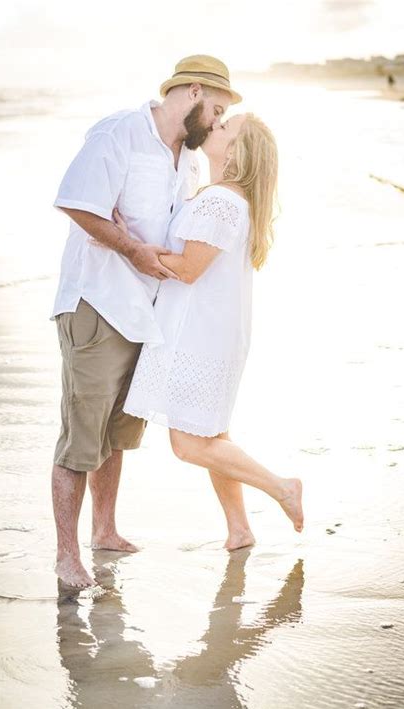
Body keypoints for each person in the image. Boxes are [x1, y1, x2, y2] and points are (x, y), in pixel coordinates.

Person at [51, 56, 251, 588]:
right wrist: (133, 248)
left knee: (117, 433)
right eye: (215, 110)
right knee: (80, 435)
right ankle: (67, 556)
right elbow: (77, 203)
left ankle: (105, 530)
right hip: (98, 303)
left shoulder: (186, 158)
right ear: (190, 91)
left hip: (148, 313)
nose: (215, 124)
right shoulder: (120, 132)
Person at [117, 113, 304, 536]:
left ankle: (282, 488)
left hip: (196, 336)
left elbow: (188, 269)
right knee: (212, 431)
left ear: (237, 151)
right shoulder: (234, 200)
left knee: (189, 444)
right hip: (214, 332)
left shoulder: (221, 201)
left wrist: (130, 248)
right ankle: (239, 528)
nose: (213, 129)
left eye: (224, 129)